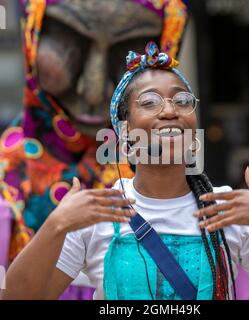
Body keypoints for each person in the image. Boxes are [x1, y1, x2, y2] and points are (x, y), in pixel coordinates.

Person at [2, 42, 249, 300]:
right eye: (149, 102)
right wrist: (57, 225)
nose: (170, 111)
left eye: (182, 100)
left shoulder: (227, 210)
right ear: (125, 131)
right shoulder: (97, 214)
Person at [0, 0, 188, 299]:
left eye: (128, 54)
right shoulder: (4, 190)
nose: (93, 88)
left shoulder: (188, 196)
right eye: (67, 44)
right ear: (30, 35)